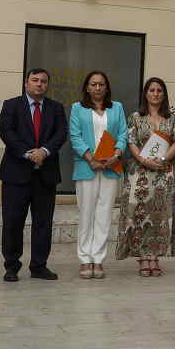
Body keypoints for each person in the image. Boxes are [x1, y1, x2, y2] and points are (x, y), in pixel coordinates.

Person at [0, 68, 67, 282]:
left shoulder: (56, 108)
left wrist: (44, 151)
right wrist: (28, 153)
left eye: (44, 81)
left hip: (45, 175)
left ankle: (39, 266)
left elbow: (61, 133)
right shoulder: (11, 105)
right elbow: (6, 132)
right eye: (35, 80)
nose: (39, 84)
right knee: (12, 222)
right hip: (16, 174)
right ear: (26, 83)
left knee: (43, 223)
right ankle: (11, 266)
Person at [115, 77, 175, 277]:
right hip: (140, 173)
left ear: (164, 94)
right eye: (151, 90)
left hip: (164, 172)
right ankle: (142, 257)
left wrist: (162, 158)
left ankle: (155, 256)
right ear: (146, 94)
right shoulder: (135, 117)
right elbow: (131, 141)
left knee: (160, 216)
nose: (155, 94)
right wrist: (144, 161)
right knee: (139, 214)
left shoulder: (172, 118)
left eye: (159, 90)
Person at [68, 70, 127, 280]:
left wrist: (116, 155)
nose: (98, 88)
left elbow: (123, 133)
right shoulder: (77, 108)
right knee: (86, 214)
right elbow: (74, 136)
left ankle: (98, 259)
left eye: (101, 84)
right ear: (87, 87)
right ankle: (85, 259)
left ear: (107, 87)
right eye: (93, 84)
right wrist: (91, 159)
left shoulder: (117, 107)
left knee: (104, 215)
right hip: (87, 167)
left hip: (111, 167)